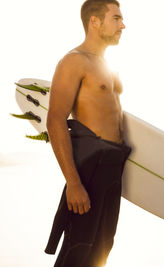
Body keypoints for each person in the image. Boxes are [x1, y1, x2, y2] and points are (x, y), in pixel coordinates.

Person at [43, 0, 130, 266]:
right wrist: (73, 183)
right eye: (116, 18)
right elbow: (55, 120)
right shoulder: (74, 61)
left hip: (114, 169)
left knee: (102, 249)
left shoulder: (107, 66)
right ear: (95, 21)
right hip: (90, 170)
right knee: (78, 249)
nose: (122, 25)